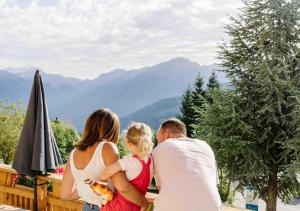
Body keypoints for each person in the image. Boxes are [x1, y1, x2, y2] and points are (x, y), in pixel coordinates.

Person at [60, 108, 149, 211]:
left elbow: (65, 195)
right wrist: (144, 202)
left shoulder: (74, 152)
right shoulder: (107, 147)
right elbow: (122, 187)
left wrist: (87, 188)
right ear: (112, 129)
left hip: (86, 208)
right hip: (107, 207)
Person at [153, 118, 221, 211]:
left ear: (166, 133)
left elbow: (161, 188)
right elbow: (213, 184)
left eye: (158, 139)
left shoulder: (160, 149)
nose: (158, 143)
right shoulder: (206, 146)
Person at [99, 122, 154, 211]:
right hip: (137, 207)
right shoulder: (150, 161)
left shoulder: (129, 161)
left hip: (119, 206)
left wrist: (100, 179)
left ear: (129, 143)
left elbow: (106, 172)